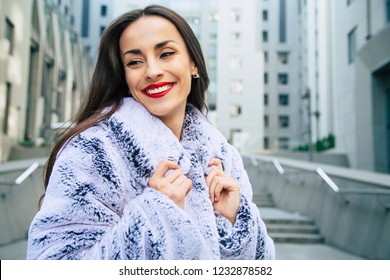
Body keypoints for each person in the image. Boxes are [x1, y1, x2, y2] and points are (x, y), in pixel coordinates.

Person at [27, 5, 275, 260]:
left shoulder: (222, 155)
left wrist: (238, 219)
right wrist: (156, 215)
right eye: (135, 62)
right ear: (124, 76)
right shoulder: (92, 150)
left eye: (166, 53)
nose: (152, 71)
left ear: (193, 65)